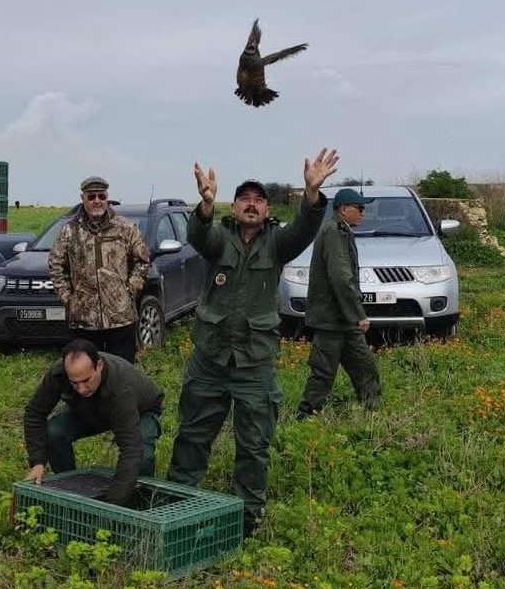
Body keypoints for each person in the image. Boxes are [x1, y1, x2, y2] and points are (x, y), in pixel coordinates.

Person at [168, 148, 338, 536]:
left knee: (253, 443)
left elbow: (306, 229)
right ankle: (176, 502)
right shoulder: (219, 239)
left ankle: (248, 516)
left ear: (266, 209)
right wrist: (206, 204)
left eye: (258, 200)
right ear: (234, 205)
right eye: (244, 198)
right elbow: (198, 234)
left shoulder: (278, 243)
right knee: (192, 434)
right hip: (210, 358)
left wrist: (312, 194)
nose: (251, 204)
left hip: (254, 364)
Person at [22, 338, 164, 506]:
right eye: (74, 383)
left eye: (86, 380)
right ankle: (72, 490)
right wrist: (38, 462)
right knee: (54, 432)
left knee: (142, 458)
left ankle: (140, 503)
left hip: (141, 410)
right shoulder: (59, 373)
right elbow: (35, 412)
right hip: (90, 408)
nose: (81, 389)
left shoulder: (121, 389)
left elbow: (131, 450)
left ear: (99, 366)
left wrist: (111, 506)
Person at [296, 187, 382, 419]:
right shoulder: (334, 232)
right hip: (331, 320)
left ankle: (373, 414)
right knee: (323, 373)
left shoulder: (340, 230)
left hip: (341, 320)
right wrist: (358, 314)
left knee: (365, 367)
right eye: (359, 208)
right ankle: (305, 417)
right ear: (344, 209)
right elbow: (341, 277)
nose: (363, 213)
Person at [48, 176, 150, 363]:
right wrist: (68, 299)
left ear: (107, 197)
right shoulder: (69, 231)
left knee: (122, 373)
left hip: (121, 318)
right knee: (86, 374)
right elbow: (56, 265)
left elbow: (142, 261)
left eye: (101, 196)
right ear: (83, 198)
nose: (97, 201)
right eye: (91, 196)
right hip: (83, 321)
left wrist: (129, 291)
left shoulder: (125, 228)